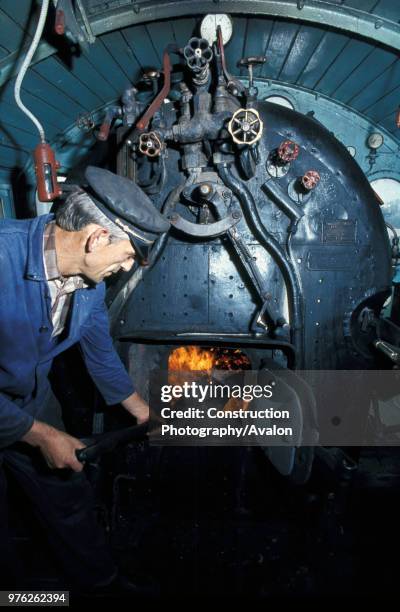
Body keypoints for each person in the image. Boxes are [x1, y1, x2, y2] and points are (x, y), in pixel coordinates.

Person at [0, 166, 170, 591]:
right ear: (96, 239)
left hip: (29, 402)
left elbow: (99, 352)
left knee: (66, 490)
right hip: (17, 415)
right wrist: (40, 436)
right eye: (129, 255)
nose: (128, 267)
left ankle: (101, 584)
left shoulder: (89, 284)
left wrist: (142, 413)